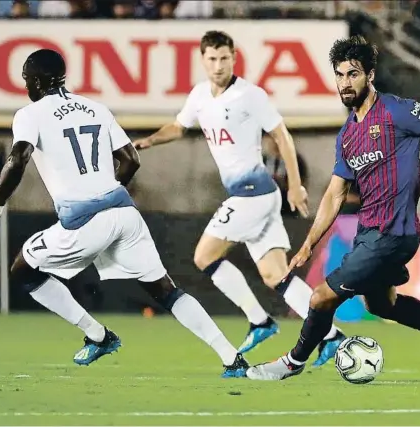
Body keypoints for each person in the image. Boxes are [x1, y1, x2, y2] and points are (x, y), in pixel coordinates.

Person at [0, 48, 249, 378]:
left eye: (27, 80)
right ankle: (231, 357)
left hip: (82, 223)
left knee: (23, 269)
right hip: (125, 214)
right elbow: (131, 160)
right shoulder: (96, 108)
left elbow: (17, 159)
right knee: (166, 291)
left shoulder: (30, 114)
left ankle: (98, 335)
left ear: (38, 81)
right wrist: (106, 194)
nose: (26, 86)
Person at [246, 35, 420, 382]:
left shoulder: (397, 110)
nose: (345, 82)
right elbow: (334, 195)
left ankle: (292, 363)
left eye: (352, 74)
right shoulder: (348, 135)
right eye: (339, 75)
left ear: (370, 75)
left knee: (321, 298)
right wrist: (308, 244)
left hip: (393, 234)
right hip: (370, 233)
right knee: (382, 305)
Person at [133, 30, 345, 366]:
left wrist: (295, 184)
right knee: (276, 276)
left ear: (234, 57)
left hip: (253, 195)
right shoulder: (200, 96)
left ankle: (260, 321)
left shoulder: (250, 95)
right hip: (254, 196)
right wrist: (148, 141)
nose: (218, 65)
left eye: (224, 58)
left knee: (204, 257)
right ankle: (332, 336)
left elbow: (281, 135)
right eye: (212, 59)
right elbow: (178, 126)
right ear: (203, 60)